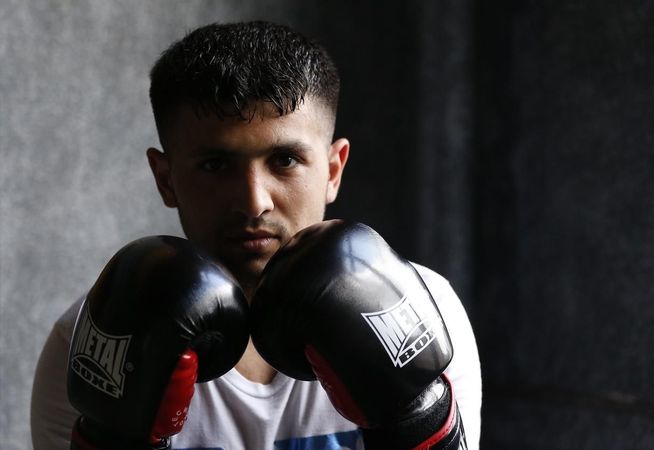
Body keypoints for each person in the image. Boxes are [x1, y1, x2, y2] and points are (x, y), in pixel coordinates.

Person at [31, 21, 481, 450]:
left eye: (284, 160)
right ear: (166, 179)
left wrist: (415, 425)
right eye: (215, 164)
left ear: (332, 169)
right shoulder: (95, 343)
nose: (253, 202)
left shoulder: (417, 313)